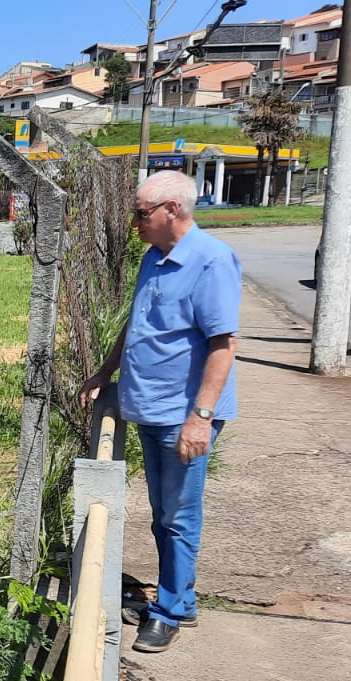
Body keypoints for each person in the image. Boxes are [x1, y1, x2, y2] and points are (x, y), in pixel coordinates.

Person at [80, 170, 240, 654]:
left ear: (173, 210)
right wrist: (105, 372)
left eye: (141, 213)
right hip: (147, 408)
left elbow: (223, 346)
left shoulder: (211, 261)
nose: (135, 223)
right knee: (163, 513)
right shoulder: (154, 257)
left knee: (179, 516)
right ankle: (180, 598)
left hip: (182, 415)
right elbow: (137, 324)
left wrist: (201, 418)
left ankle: (169, 611)